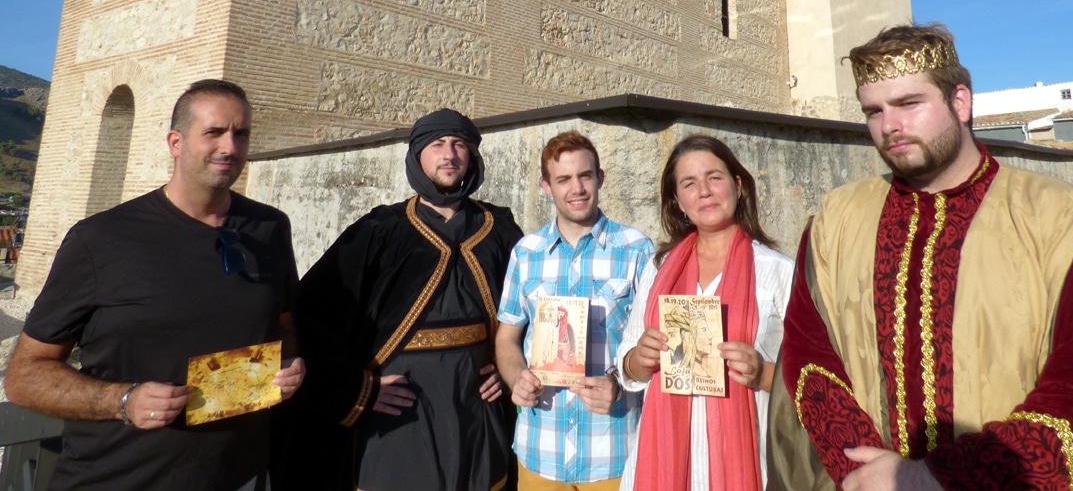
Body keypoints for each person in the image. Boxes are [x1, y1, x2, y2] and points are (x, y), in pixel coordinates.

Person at [768, 23, 1073, 490]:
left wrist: (939, 477)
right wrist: (865, 470)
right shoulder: (836, 221)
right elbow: (808, 355)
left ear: (960, 102)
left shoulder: (1063, 221)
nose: (889, 126)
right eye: (873, 111)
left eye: (909, 104)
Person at [5, 79, 305, 491]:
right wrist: (123, 401)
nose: (231, 147)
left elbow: (285, 325)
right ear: (176, 142)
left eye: (241, 134)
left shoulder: (271, 227)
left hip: (238, 476)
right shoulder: (101, 239)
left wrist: (289, 367)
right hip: (118, 478)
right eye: (214, 132)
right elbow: (24, 377)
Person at [293, 108, 522, 491]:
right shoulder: (380, 231)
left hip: (476, 408)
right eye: (437, 144)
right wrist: (358, 389)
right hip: (400, 411)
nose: (449, 155)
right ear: (417, 156)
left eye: (459, 144)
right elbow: (313, 312)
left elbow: (534, 311)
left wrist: (510, 368)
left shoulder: (499, 231)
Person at [617, 135, 793, 491]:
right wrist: (640, 357)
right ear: (679, 202)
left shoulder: (777, 271)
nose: (704, 191)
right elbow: (626, 363)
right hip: (661, 460)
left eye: (714, 177)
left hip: (749, 459)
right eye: (689, 183)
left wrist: (761, 373)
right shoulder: (659, 268)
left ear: (738, 186)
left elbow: (813, 376)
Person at [495, 131, 654, 490]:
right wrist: (516, 378)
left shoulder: (637, 249)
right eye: (563, 179)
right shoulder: (526, 252)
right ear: (546, 187)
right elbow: (507, 337)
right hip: (540, 451)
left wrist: (619, 384)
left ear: (600, 178)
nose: (576, 188)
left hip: (613, 451)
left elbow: (652, 342)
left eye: (585, 176)